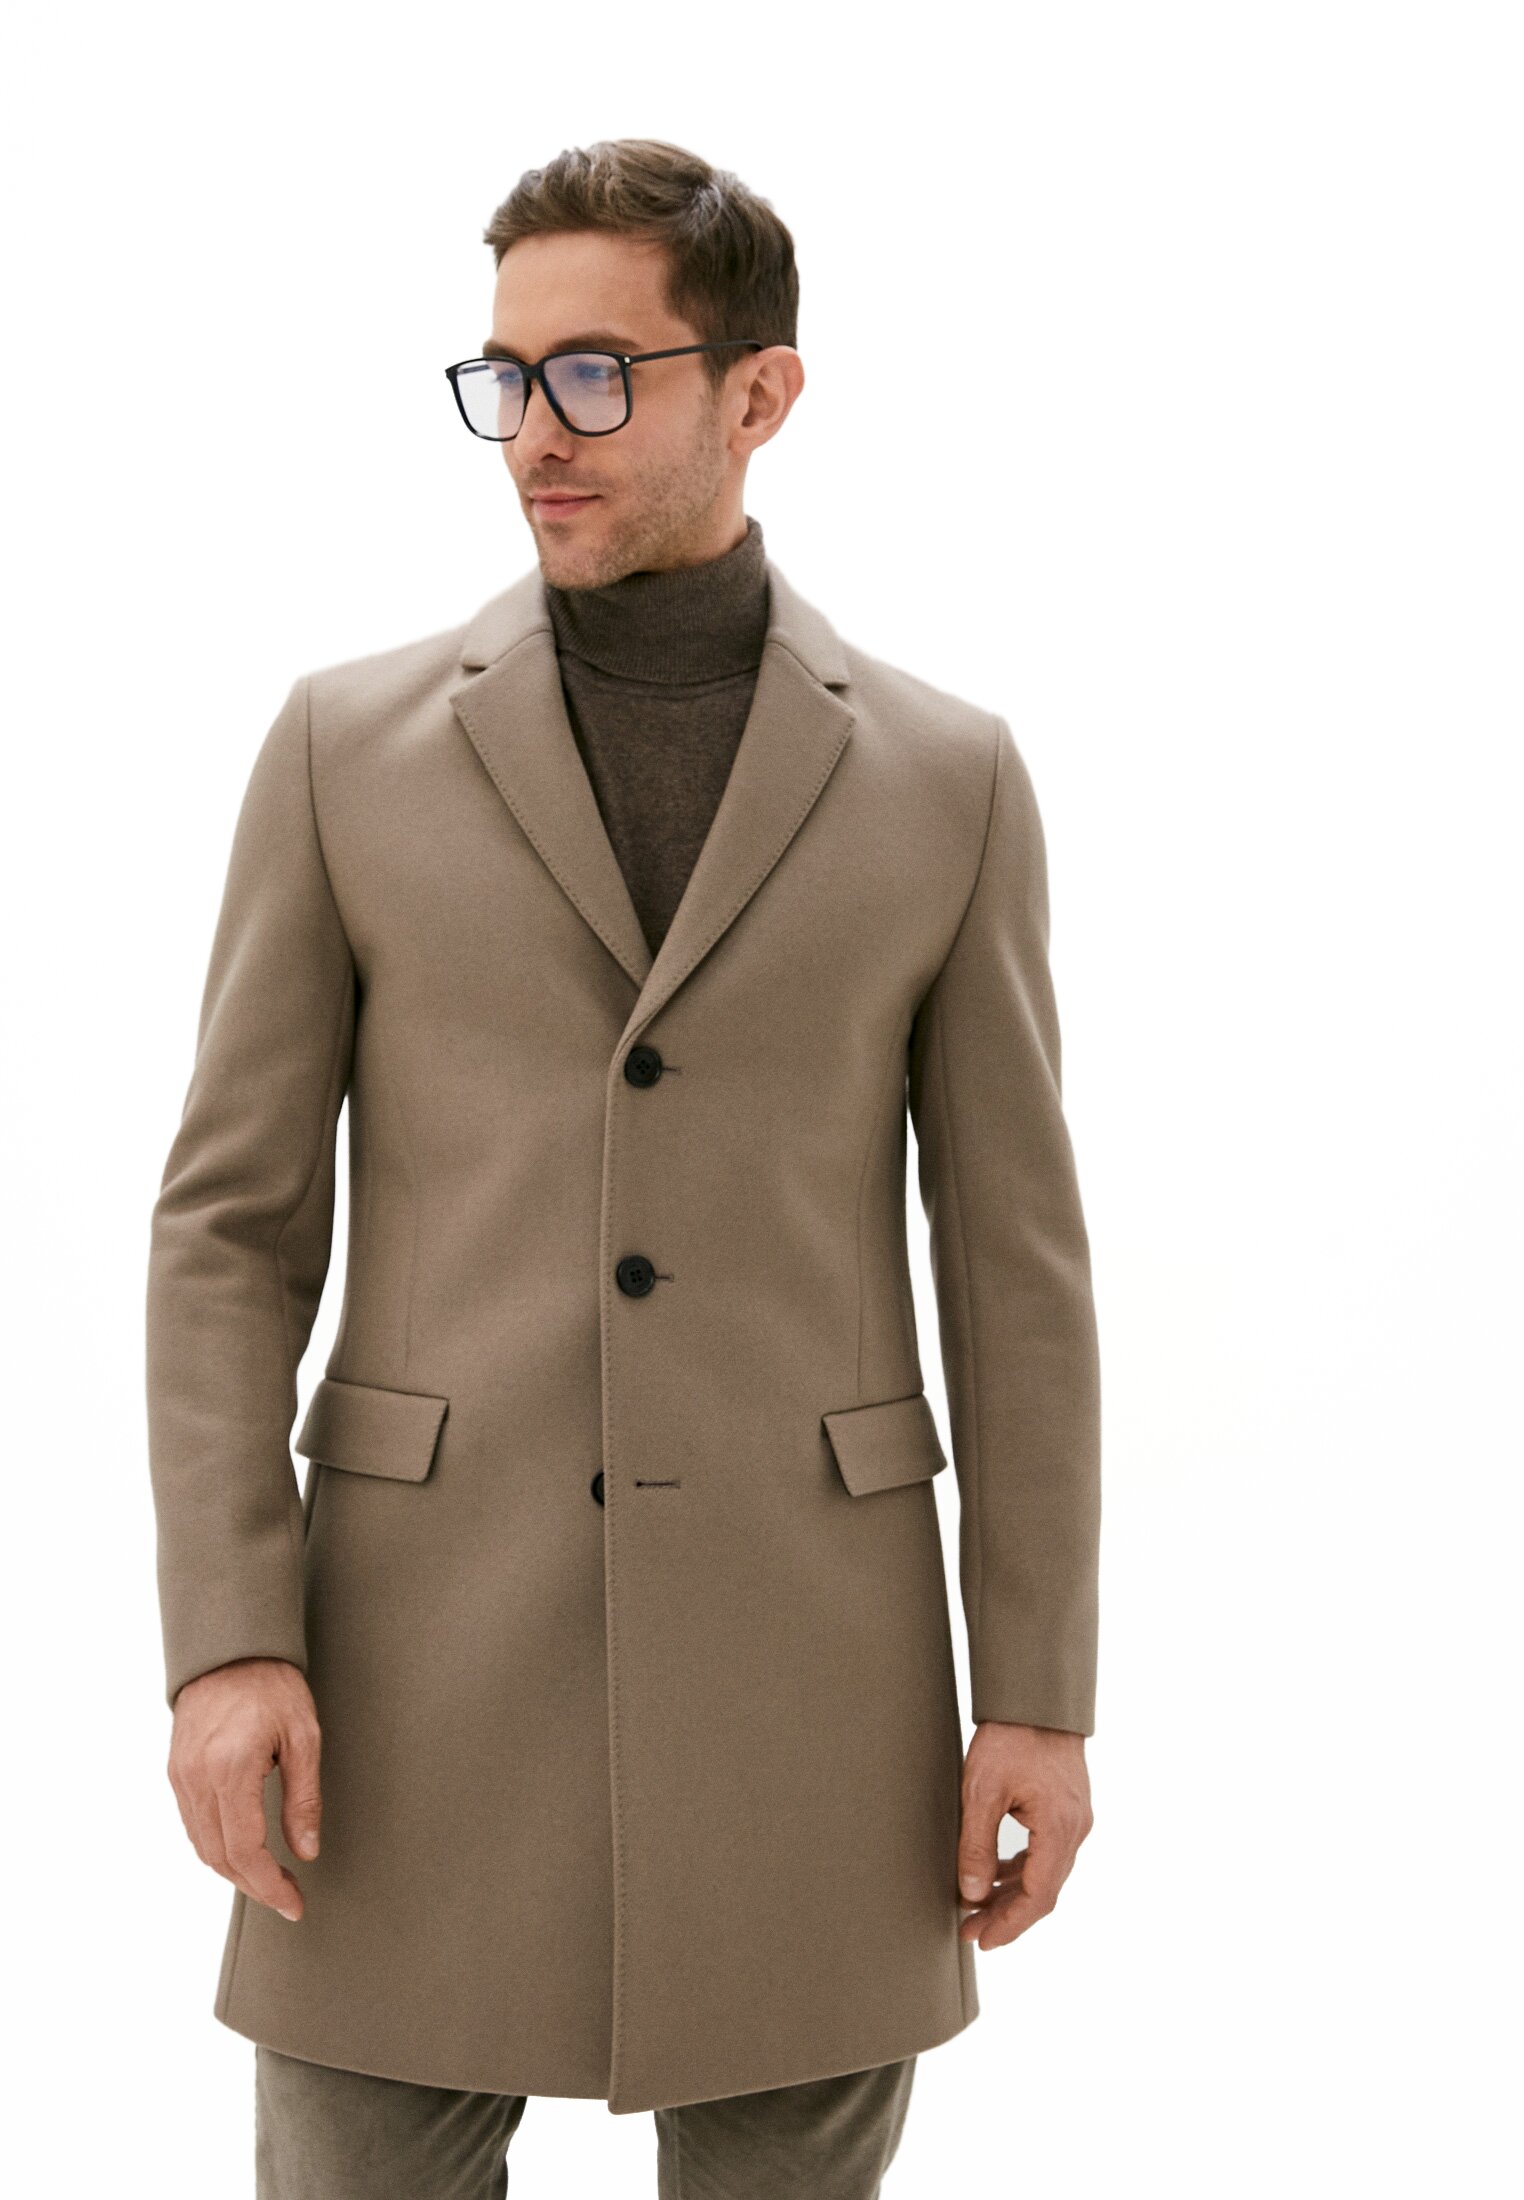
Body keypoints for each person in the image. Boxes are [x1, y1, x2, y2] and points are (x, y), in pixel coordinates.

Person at [146, 136, 1102, 2200]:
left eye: (596, 374)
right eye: (504, 377)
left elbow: (1014, 1267)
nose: (534, 432)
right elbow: (227, 1228)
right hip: (406, 1672)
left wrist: (1038, 1691)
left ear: (761, 393)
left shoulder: (946, 780)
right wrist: (226, 1638)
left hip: (811, 1680)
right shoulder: (342, 749)